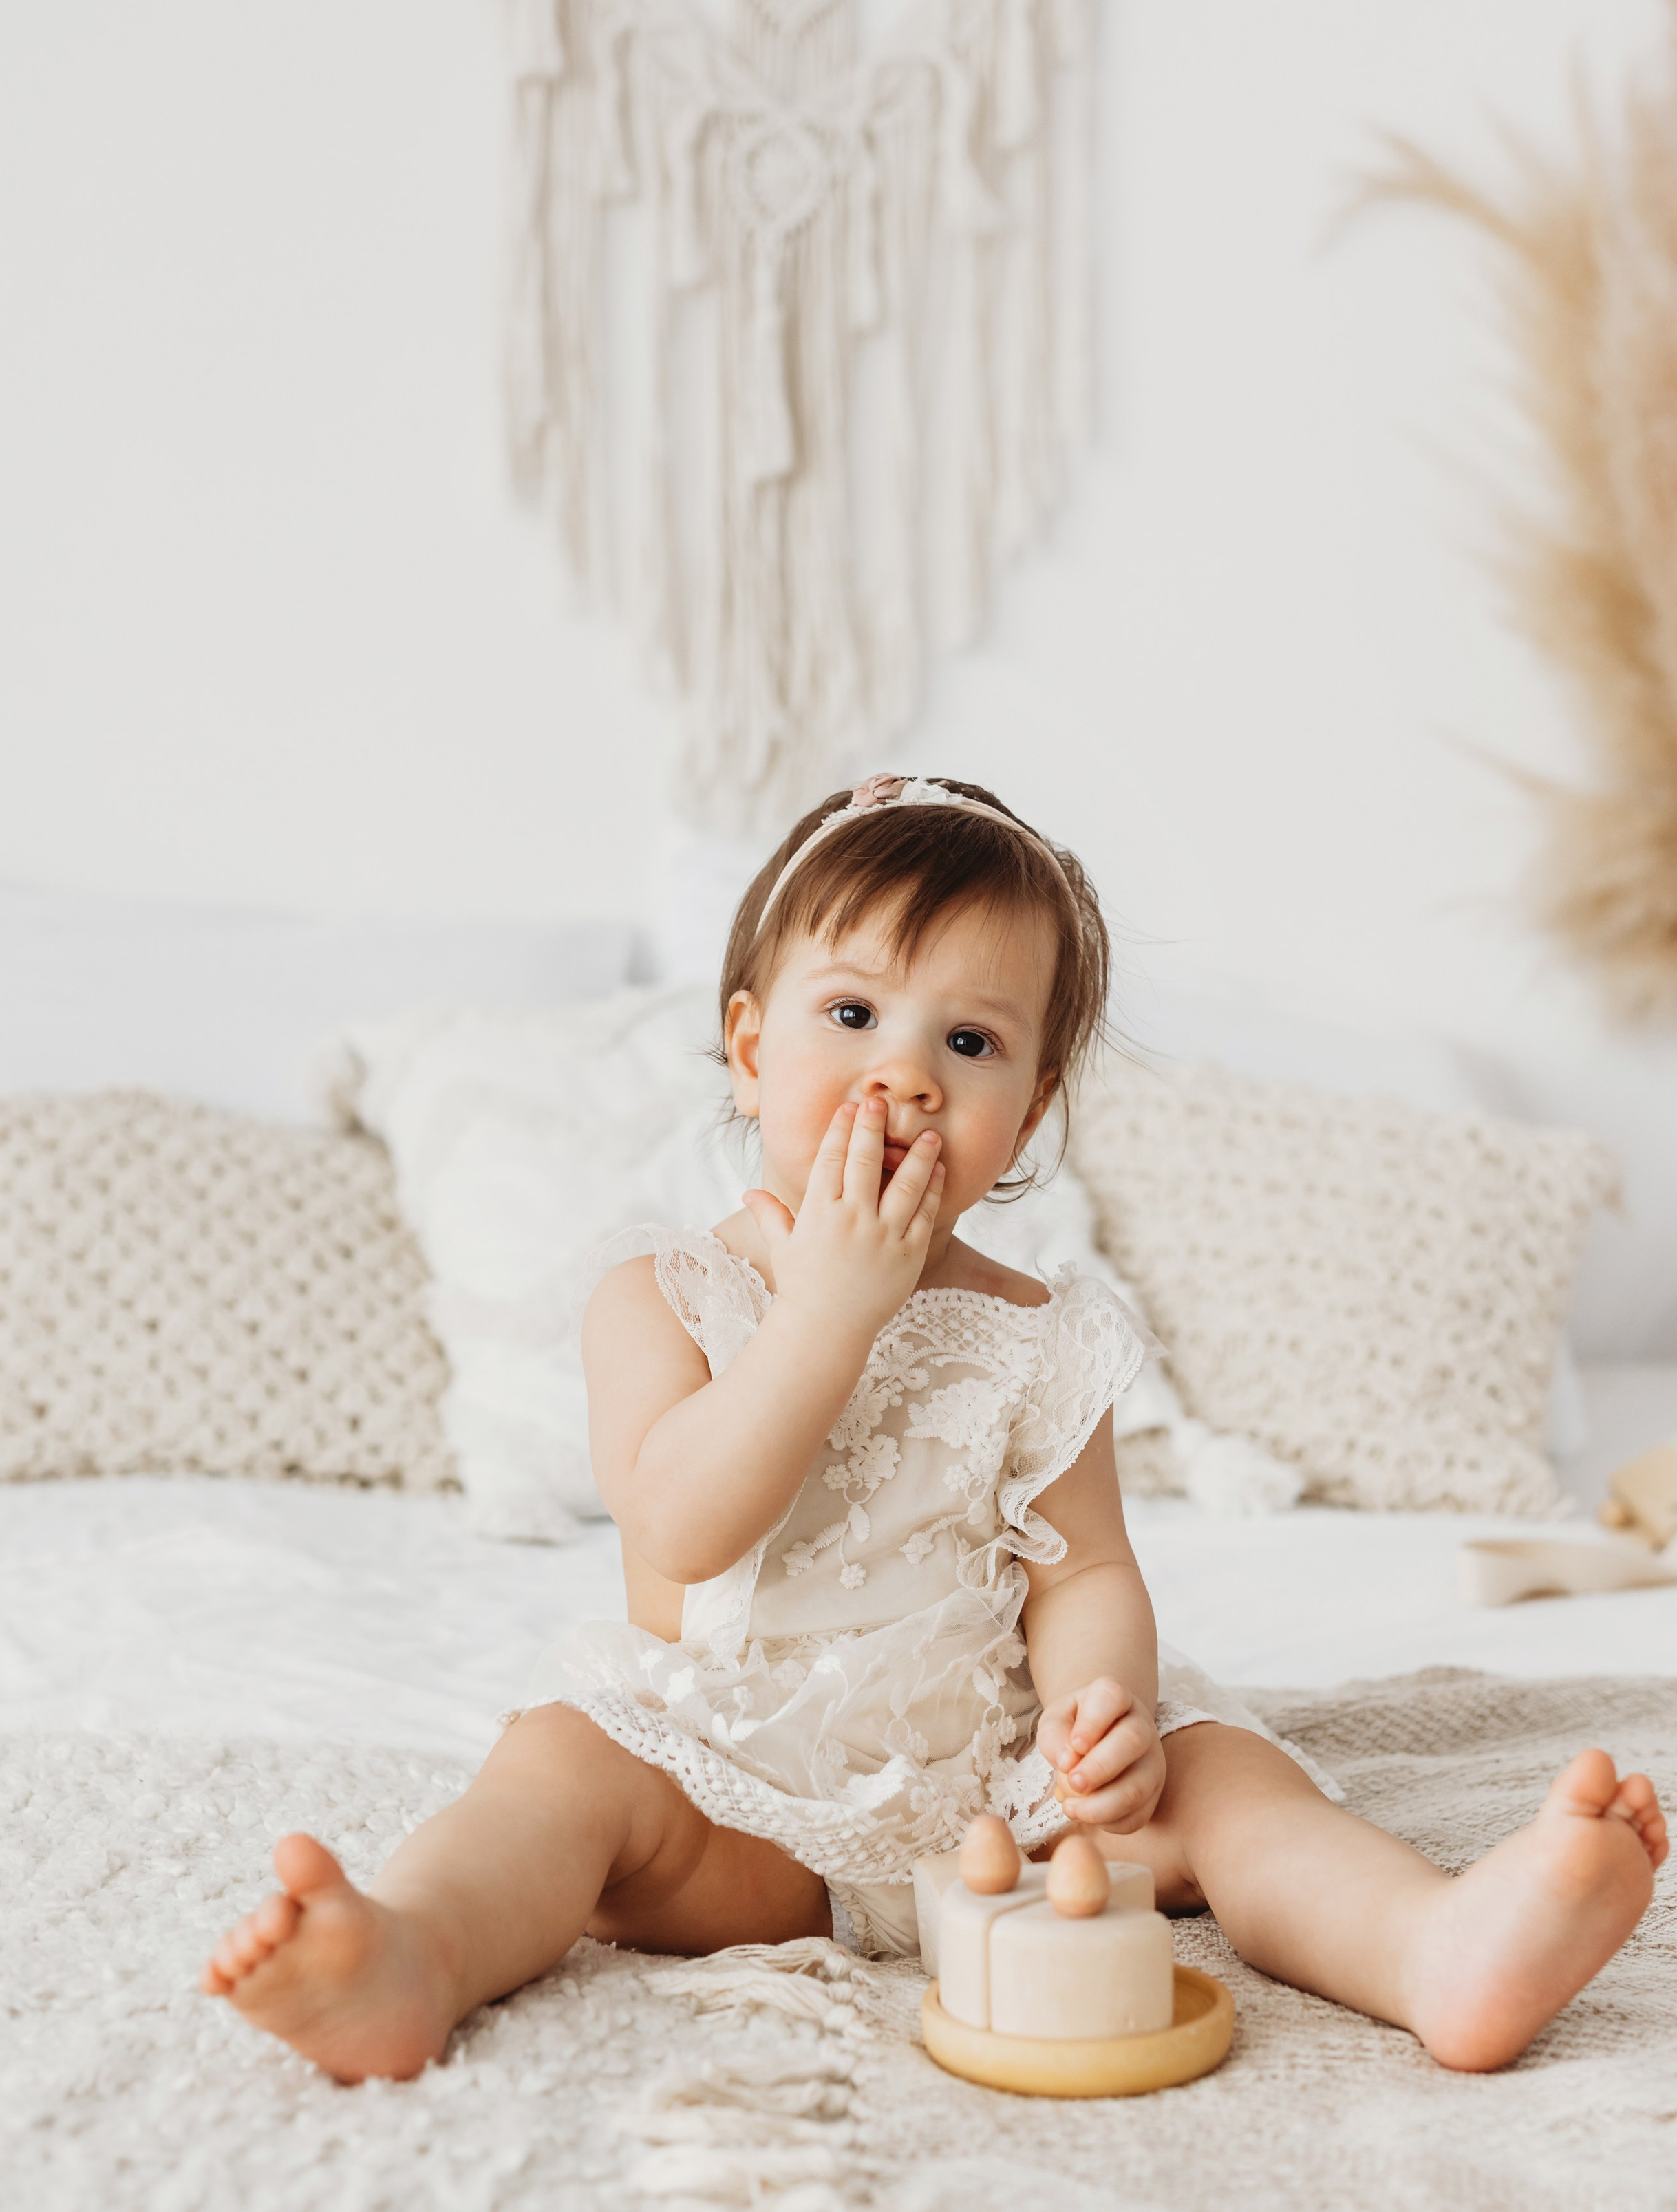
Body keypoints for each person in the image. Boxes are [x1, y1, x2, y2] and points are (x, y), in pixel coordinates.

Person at [203, 775, 1667, 2082]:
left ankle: (1433, 1948)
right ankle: (408, 1954)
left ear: (1025, 1117)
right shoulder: (661, 1292)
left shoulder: (1037, 1332)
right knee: (561, 1770)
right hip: (744, 1807)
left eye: (965, 1039)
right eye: (850, 1015)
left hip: (1007, 1811)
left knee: (1224, 1776)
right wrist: (826, 1313)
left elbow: (1081, 1570)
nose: (903, 1073)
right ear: (745, 1049)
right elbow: (676, 1528)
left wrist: (1101, 1714)